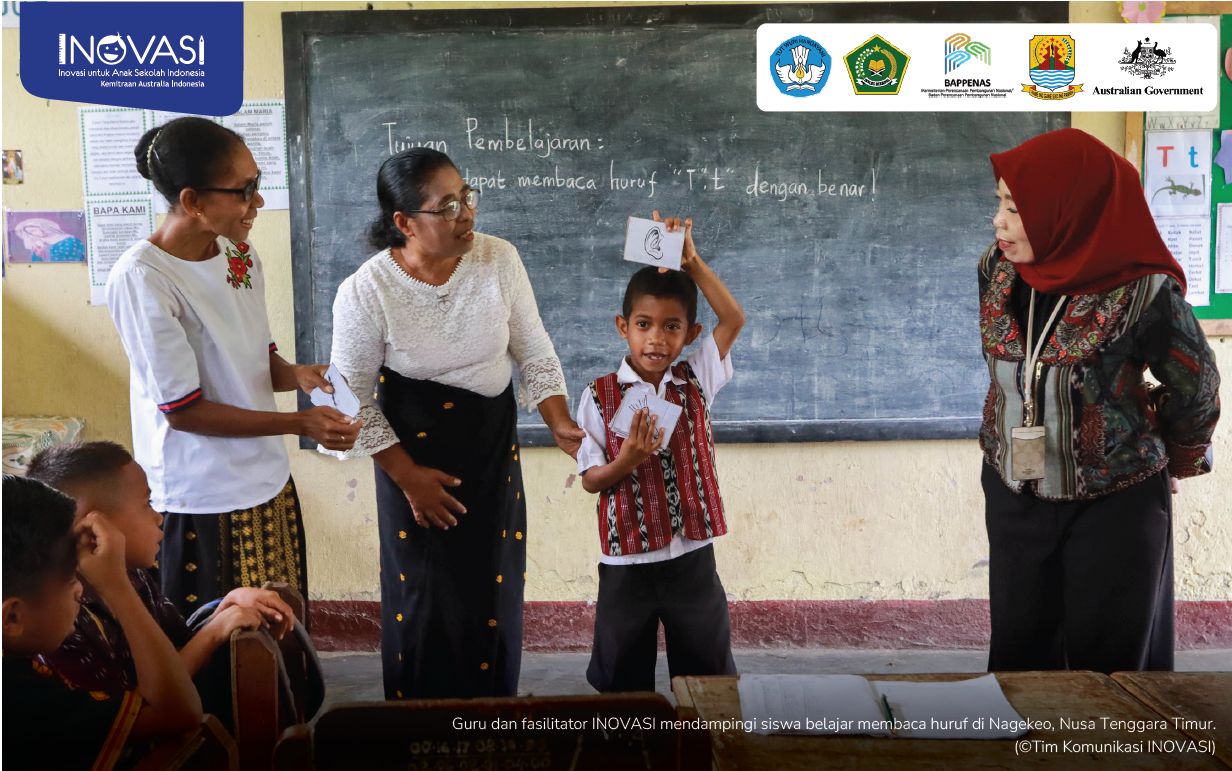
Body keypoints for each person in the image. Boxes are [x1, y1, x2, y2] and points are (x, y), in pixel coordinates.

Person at [328, 147, 585, 700]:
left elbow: (535, 351)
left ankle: (491, 727)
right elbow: (352, 400)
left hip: (490, 453)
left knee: (491, 594)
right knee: (422, 603)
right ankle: (417, 732)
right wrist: (409, 479)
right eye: (447, 206)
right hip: (410, 464)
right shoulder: (366, 291)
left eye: (467, 197)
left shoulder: (499, 259)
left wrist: (559, 420)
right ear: (404, 223)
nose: (466, 213)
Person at [980, 127, 1220, 673]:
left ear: (1067, 210)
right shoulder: (998, 270)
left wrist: (1178, 456)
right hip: (1014, 490)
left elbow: (1197, 386)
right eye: (999, 203)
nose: (998, 221)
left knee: (1110, 663)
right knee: (1020, 656)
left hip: (1114, 501)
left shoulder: (1142, 289)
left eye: (1015, 209)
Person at [107, 117, 361, 618]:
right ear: (193, 202)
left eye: (257, 184)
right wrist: (299, 423)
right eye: (244, 190)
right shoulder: (144, 278)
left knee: (278, 631)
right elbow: (184, 411)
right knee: (217, 637)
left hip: (266, 481)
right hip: (202, 496)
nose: (257, 202)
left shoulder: (238, 255)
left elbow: (255, 356)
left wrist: (297, 375)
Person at [575, 214, 745, 692]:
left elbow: (733, 319)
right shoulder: (598, 395)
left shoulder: (696, 380)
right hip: (627, 564)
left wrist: (692, 262)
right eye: (644, 325)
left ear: (690, 334)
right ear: (622, 327)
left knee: (707, 674)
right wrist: (627, 460)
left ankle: (701, 734)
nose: (656, 339)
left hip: (692, 555)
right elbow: (590, 479)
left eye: (672, 327)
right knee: (623, 682)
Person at [27, 442, 295, 702]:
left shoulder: (135, 575)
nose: (158, 517)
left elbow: (177, 647)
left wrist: (225, 606)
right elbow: (152, 708)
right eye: (147, 503)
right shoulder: (59, 620)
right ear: (93, 526)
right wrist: (215, 631)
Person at [3, 475, 202, 770]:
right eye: (70, 580)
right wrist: (116, 586)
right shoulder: (25, 701)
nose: (79, 590)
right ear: (12, 617)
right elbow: (177, 712)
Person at [15, 217, 86, 262]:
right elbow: (37, 265)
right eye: (29, 233)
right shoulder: (37, 246)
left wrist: (46, 249)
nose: (32, 234)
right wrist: (40, 251)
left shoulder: (69, 240)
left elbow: (69, 259)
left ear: (43, 228)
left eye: (33, 230)